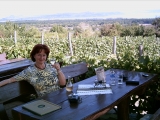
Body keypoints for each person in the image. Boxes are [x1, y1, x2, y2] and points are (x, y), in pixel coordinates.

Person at [0, 44, 66, 97]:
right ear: (34, 55)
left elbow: (63, 84)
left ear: (46, 56)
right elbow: (10, 80)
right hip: (45, 101)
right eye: (39, 55)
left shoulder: (51, 67)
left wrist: (58, 70)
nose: (41, 58)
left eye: (44, 55)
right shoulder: (29, 71)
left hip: (59, 96)